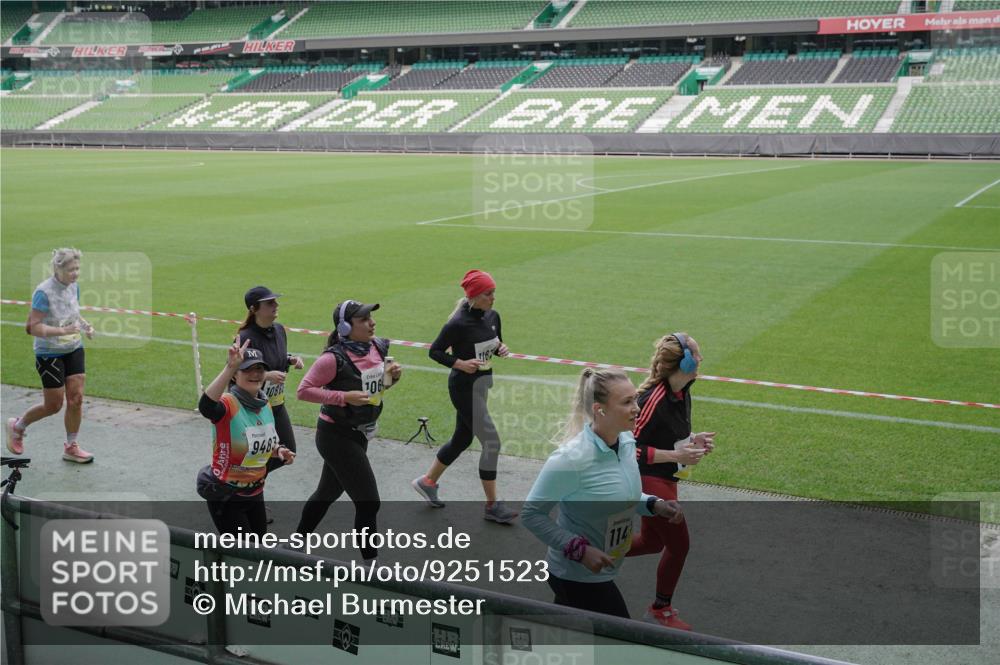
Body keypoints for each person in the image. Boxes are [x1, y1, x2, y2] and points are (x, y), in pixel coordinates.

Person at [522, 368, 682, 618]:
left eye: (635, 399)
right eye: (627, 402)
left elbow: (619, 495)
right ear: (600, 409)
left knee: (569, 636)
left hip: (603, 569)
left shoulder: (626, 441)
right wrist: (579, 549)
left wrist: (654, 504)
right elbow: (531, 514)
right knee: (622, 641)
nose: (637, 408)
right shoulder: (571, 459)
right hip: (575, 575)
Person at [295, 300, 402, 562]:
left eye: (370, 318)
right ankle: (370, 565)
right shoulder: (332, 359)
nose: (372, 323)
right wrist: (343, 397)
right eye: (364, 319)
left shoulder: (377, 347)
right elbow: (303, 391)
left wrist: (392, 378)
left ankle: (294, 546)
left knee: (326, 493)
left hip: (359, 433)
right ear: (345, 327)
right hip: (335, 436)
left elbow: (375, 388)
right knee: (369, 502)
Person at [411, 269, 517, 524]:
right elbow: (435, 351)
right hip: (463, 389)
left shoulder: (493, 316)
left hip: (482, 386)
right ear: (474, 296)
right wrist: (458, 363)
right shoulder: (457, 323)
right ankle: (492, 505)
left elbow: (495, 341)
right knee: (492, 442)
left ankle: (427, 482)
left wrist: (501, 348)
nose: (493, 298)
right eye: (487, 294)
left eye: (493, 293)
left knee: (461, 438)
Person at [627, 332, 715, 630]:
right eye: (697, 355)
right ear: (686, 362)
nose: (701, 360)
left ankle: (588, 550)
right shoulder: (653, 400)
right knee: (679, 546)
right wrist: (675, 453)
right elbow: (629, 450)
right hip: (646, 478)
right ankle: (659, 609)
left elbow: (667, 438)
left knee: (652, 542)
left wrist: (693, 440)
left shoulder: (683, 391)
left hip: (665, 475)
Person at [197, 339, 295, 536]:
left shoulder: (264, 404)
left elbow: (264, 439)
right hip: (227, 495)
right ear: (235, 376)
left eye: (260, 369)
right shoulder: (228, 404)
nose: (255, 374)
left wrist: (278, 450)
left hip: (255, 492)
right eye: (248, 369)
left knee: (256, 550)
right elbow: (206, 406)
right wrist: (230, 367)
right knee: (239, 556)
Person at [6, 248, 95, 463]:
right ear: (58, 268)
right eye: (71, 269)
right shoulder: (43, 292)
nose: (75, 273)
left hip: (74, 347)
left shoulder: (74, 286)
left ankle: (71, 446)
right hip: (49, 353)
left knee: (76, 399)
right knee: (54, 405)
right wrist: (63, 331)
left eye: (77, 268)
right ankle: (17, 426)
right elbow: (31, 327)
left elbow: (73, 312)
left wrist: (85, 326)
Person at [237, 286, 304, 472]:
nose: (276, 305)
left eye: (275, 301)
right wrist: (267, 375)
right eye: (270, 303)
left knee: (287, 452)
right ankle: (246, 490)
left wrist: (290, 359)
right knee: (254, 456)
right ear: (254, 309)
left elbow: (274, 357)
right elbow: (236, 373)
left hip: (276, 405)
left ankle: (249, 487)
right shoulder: (245, 337)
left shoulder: (279, 330)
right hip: (251, 408)